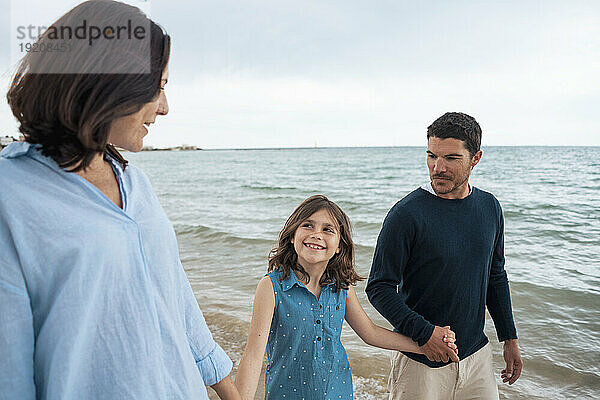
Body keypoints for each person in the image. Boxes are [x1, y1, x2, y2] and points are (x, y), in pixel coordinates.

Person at [0, 1, 240, 399]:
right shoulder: (11, 195)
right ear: (109, 82)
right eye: (158, 87)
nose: (164, 107)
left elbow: (175, 295)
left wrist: (228, 390)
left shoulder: (136, 183)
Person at [234, 195, 458, 400]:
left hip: (338, 392)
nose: (316, 234)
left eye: (328, 230)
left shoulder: (341, 287)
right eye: (307, 225)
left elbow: (370, 333)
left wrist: (425, 345)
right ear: (293, 236)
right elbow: (253, 355)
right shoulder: (272, 286)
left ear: (340, 246)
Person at [366, 112, 523, 399]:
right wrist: (425, 334)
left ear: (475, 158)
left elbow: (495, 276)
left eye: (451, 158)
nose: (438, 167)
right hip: (419, 364)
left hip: (477, 358)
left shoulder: (490, 208)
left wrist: (509, 338)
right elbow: (379, 287)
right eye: (431, 156)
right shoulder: (406, 214)